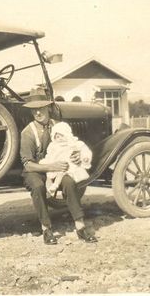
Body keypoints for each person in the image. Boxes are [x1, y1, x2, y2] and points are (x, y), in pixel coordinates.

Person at [20, 87, 97, 245]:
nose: (38, 113)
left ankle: (80, 226)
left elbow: (72, 145)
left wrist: (76, 156)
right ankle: (46, 228)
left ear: (48, 107)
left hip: (59, 167)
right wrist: (52, 167)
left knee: (68, 182)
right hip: (37, 169)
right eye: (34, 110)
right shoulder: (28, 133)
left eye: (41, 108)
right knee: (37, 185)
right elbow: (28, 165)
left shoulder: (60, 126)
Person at [39, 121, 92, 196]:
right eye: (57, 137)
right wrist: (48, 161)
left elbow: (83, 149)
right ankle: (49, 190)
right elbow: (50, 154)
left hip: (68, 164)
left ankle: (55, 185)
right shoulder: (53, 145)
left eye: (62, 136)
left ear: (67, 135)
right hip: (55, 164)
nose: (60, 139)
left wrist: (85, 157)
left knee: (61, 173)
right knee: (49, 174)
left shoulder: (72, 143)